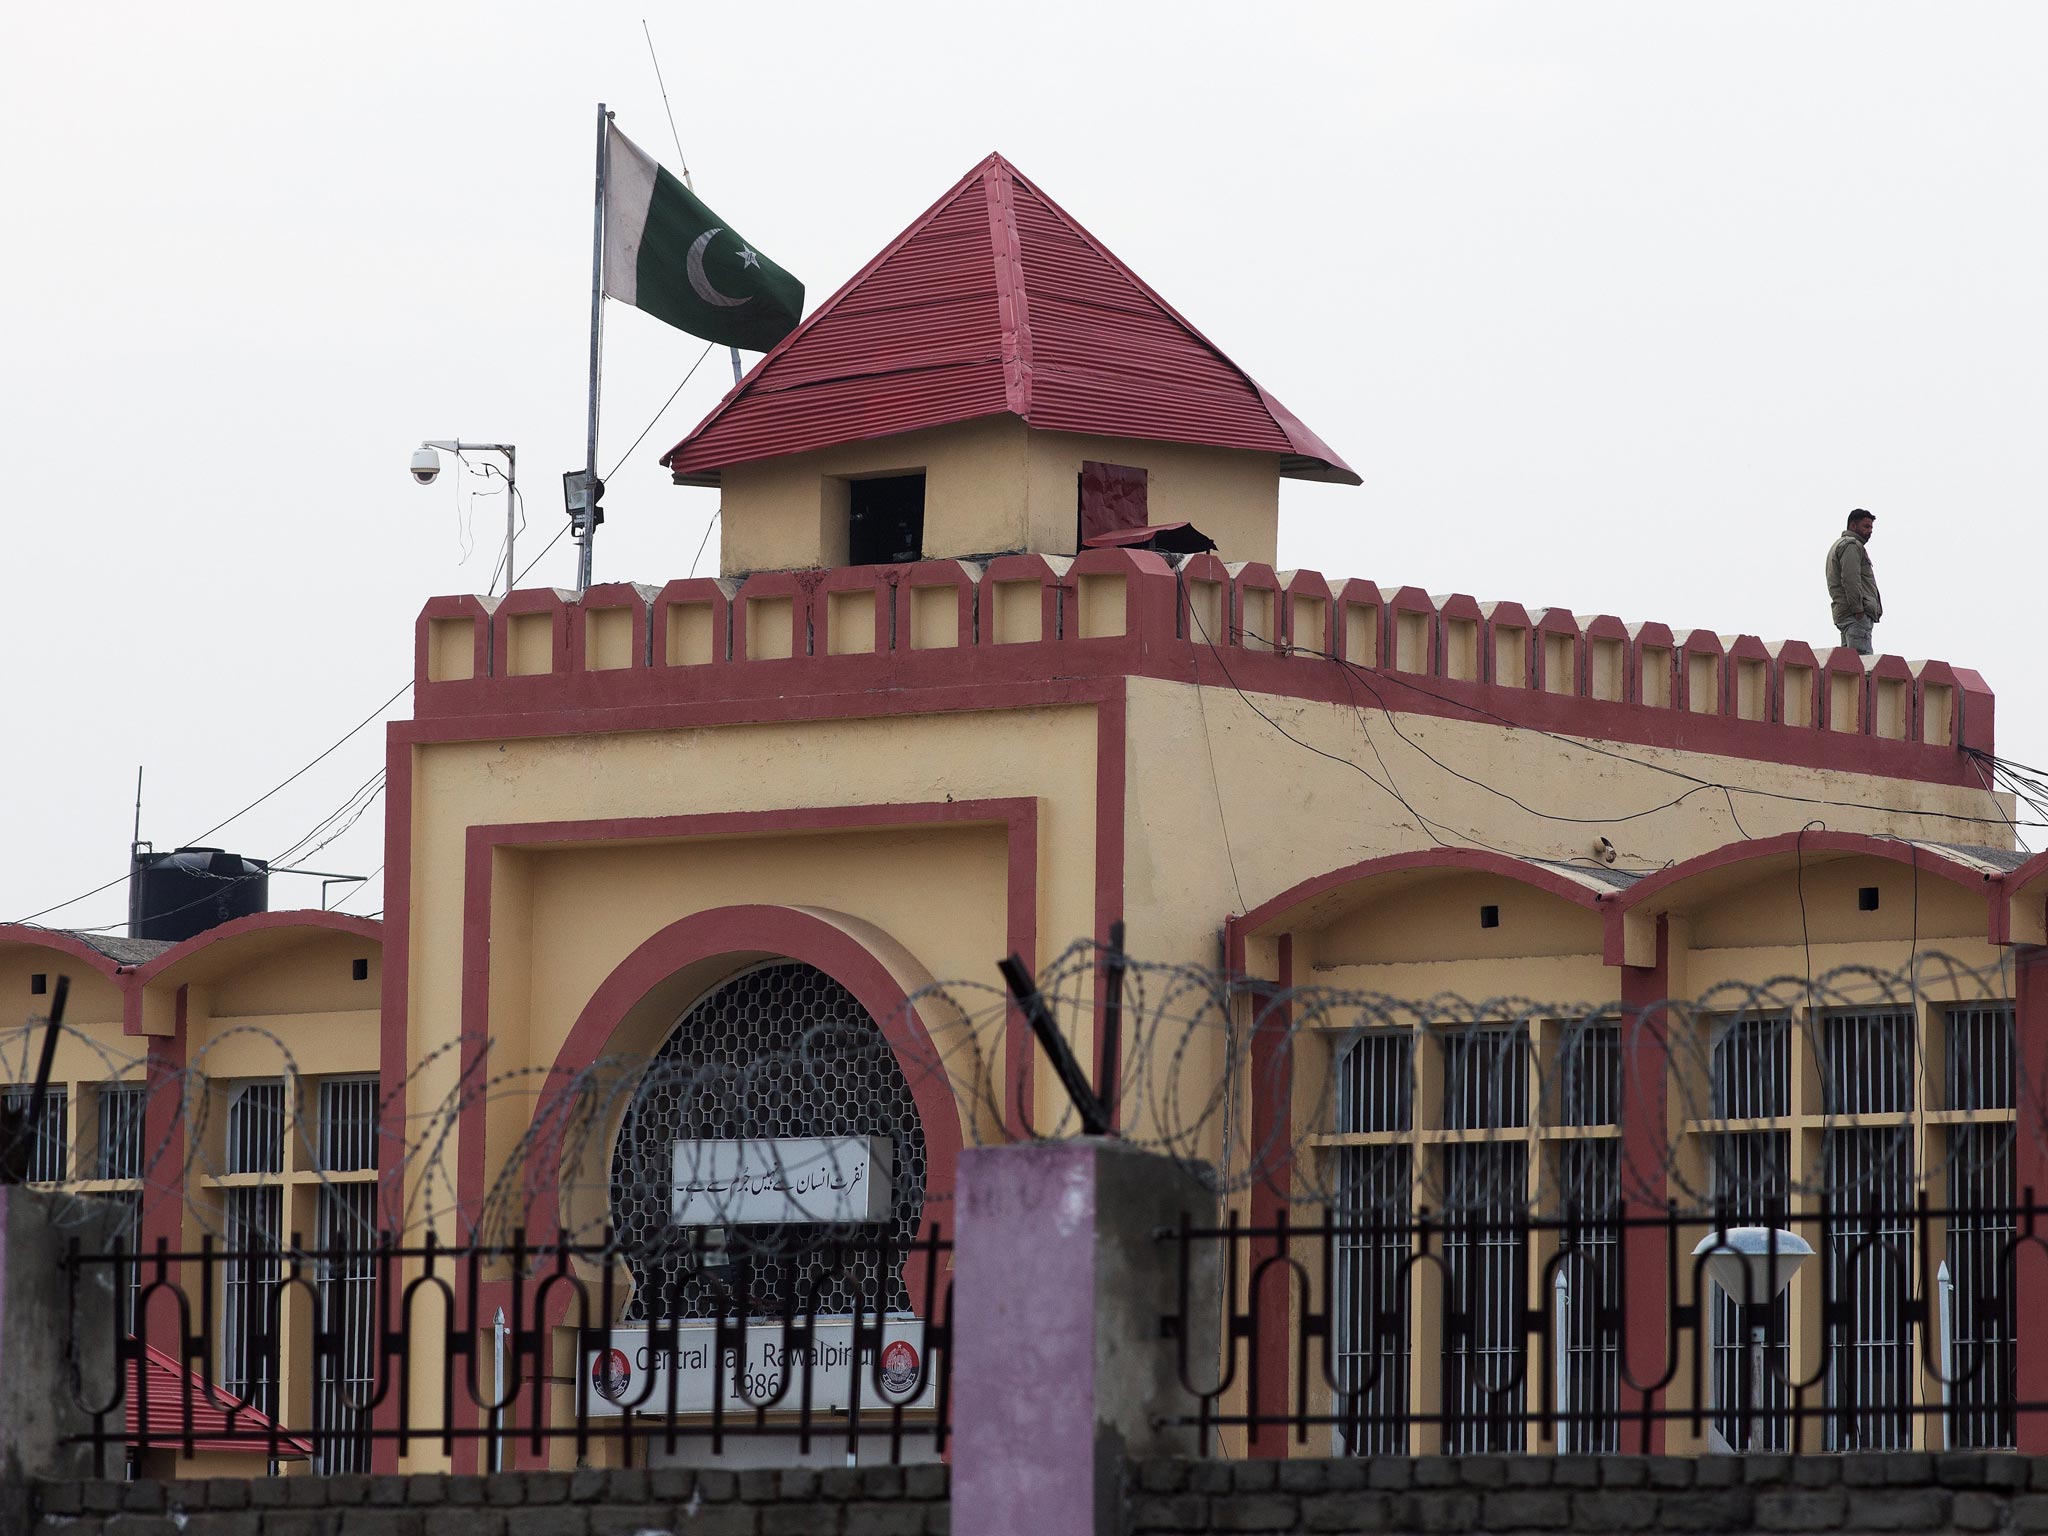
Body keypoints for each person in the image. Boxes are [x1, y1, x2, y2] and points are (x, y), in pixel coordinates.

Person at [1825, 509, 1881, 655]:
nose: (1870, 531)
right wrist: (1858, 610)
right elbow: (1851, 579)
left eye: (1871, 528)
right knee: (1862, 666)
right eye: (1866, 526)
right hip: (1855, 616)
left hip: (1847, 614)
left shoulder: (1843, 545)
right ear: (1853, 526)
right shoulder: (1851, 545)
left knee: (1848, 665)